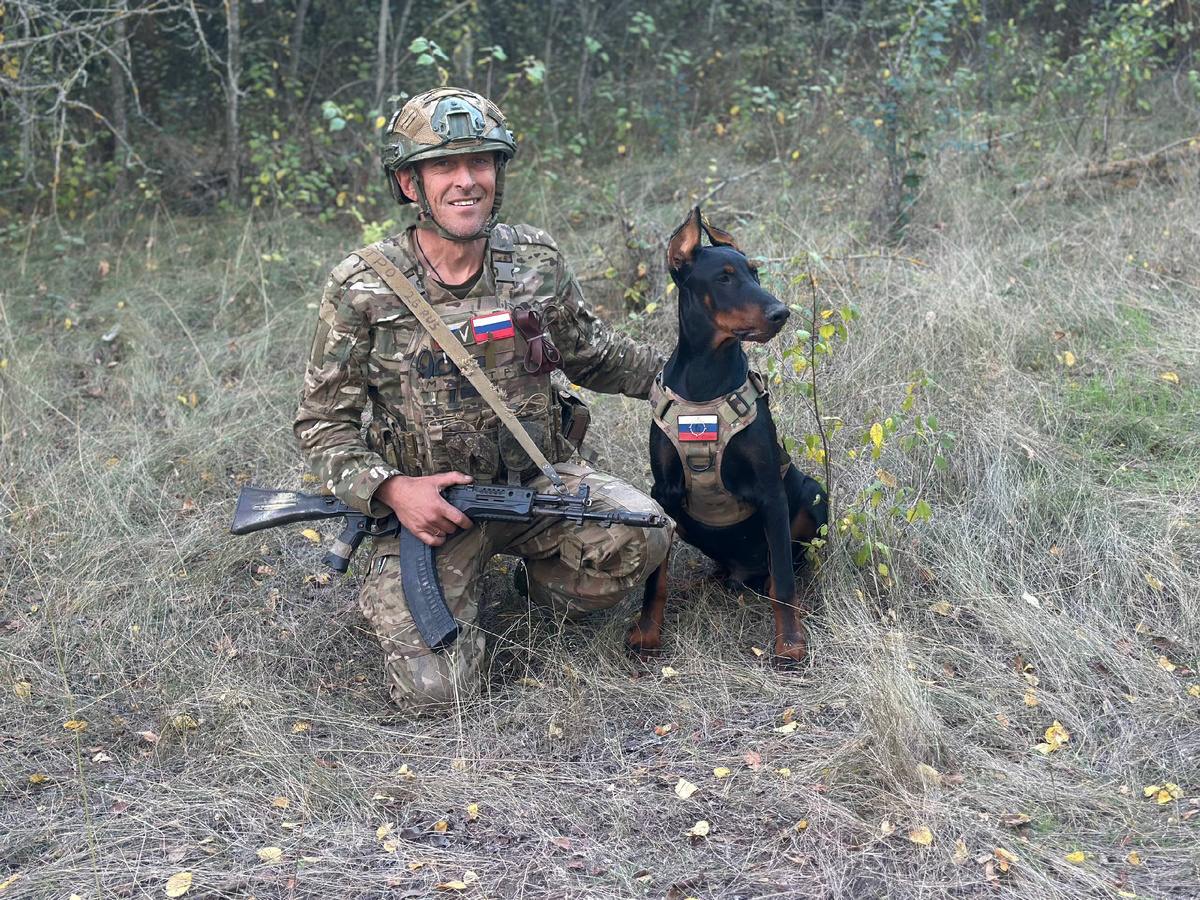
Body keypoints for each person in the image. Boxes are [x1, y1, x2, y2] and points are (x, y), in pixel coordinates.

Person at [295, 87, 671, 712]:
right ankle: (428, 595)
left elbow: (593, 353)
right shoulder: (361, 287)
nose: (467, 181)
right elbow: (321, 424)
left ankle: (536, 590)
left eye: (482, 162)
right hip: (432, 509)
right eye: (444, 165)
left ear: (499, 171)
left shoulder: (535, 261)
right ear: (410, 183)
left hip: (537, 487)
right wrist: (393, 492)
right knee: (440, 695)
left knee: (644, 535)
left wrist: (685, 381)